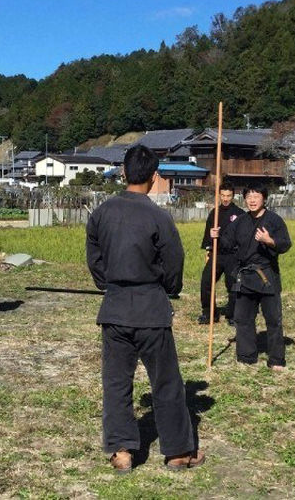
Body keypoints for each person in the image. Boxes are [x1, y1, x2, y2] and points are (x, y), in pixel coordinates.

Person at [86, 144, 205, 474]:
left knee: (116, 383)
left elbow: (95, 261)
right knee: (166, 382)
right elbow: (174, 264)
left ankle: (122, 451)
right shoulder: (159, 217)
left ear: (123, 172)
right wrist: (168, 288)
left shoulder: (101, 214)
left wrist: (107, 282)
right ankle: (179, 452)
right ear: (154, 177)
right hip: (152, 310)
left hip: (115, 308)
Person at [211, 182, 291, 371]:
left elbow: (285, 244)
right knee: (243, 318)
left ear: (264, 198)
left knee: (273, 319)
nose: (252, 200)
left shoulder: (274, 220)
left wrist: (269, 241)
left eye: (256, 196)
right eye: (248, 196)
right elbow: (227, 243)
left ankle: (276, 359)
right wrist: (216, 236)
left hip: (266, 275)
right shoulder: (240, 220)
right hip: (245, 275)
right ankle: (246, 356)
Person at [198, 180, 243, 325]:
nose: (225, 198)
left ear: (233, 196)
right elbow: (207, 235)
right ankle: (209, 313)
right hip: (216, 254)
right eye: (223, 195)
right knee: (206, 282)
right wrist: (209, 248)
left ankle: (232, 315)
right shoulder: (214, 213)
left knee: (233, 285)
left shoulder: (240, 214)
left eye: (228, 195)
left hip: (233, 256)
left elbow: (243, 238)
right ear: (219, 195)